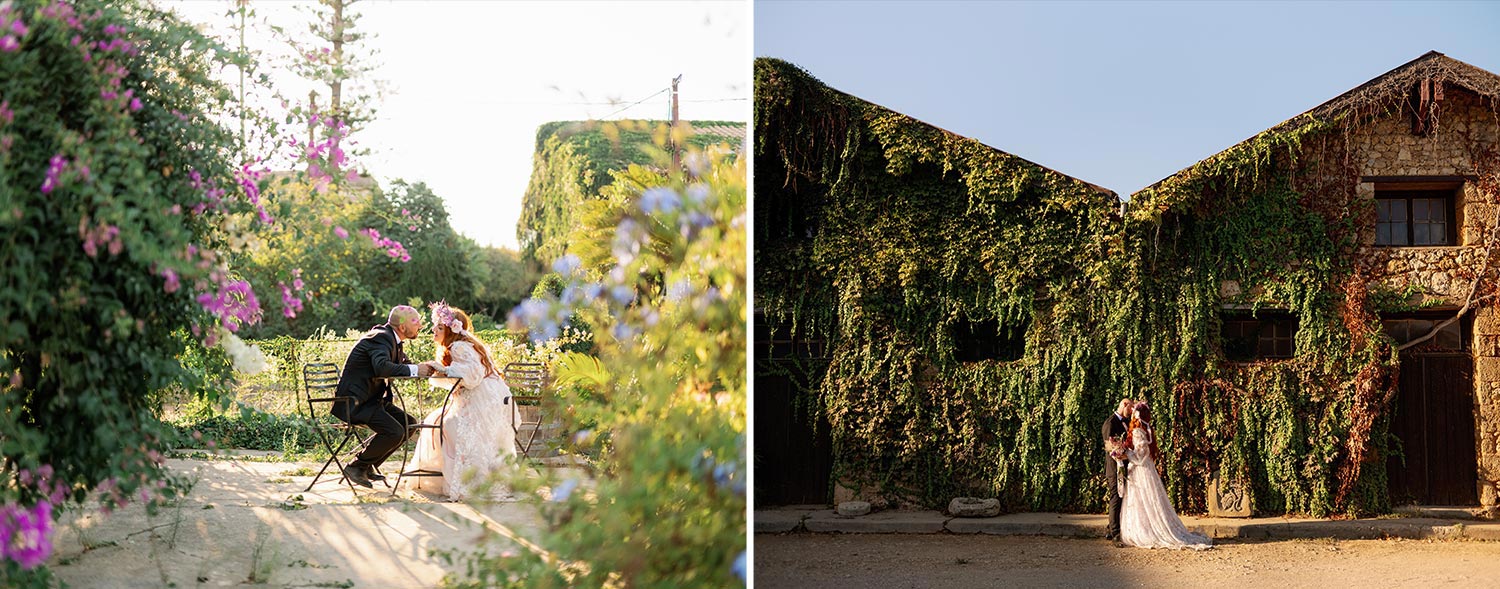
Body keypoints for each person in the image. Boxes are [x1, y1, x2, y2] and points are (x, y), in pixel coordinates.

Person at [407, 301, 518, 501]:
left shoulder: (458, 346)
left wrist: (443, 369)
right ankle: (447, 474)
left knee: (449, 425)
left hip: (482, 401)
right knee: (436, 419)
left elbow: (473, 375)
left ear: (452, 330)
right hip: (486, 398)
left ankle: (469, 478)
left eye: (440, 327)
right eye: (435, 326)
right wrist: (441, 371)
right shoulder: (461, 345)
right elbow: (463, 378)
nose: (433, 330)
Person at [332, 305, 443, 488]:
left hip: (371, 400)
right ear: (402, 326)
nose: (421, 326)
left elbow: (402, 365)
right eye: (416, 322)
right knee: (395, 431)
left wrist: (424, 368)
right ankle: (357, 466)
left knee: (409, 424)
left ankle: (367, 466)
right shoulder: (381, 337)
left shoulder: (391, 339)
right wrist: (415, 369)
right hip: (355, 403)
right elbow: (382, 367)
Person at [1119, 401, 1213, 550]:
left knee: (1141, 500)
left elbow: (1140, 456)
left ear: (1136, 416)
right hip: (1148, 468)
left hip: (1140, 469)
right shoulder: (1147, 429)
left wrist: (1126, 453)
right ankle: (1149, 527)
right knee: (1150, 500)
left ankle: (1144, 531)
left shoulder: (1137, 431)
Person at [1102, 397, 1133, 544]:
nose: (1131, 411)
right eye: (1130, 408)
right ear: (1124, 405)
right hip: (1115, 468)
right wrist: (1119, 453)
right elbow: (1109, 446)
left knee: (1121, 498)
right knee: (1116, 496)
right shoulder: (1110, 423)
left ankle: (1110, 529)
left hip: (1124, 466)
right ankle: (1115, 534)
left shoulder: (1125, 422)